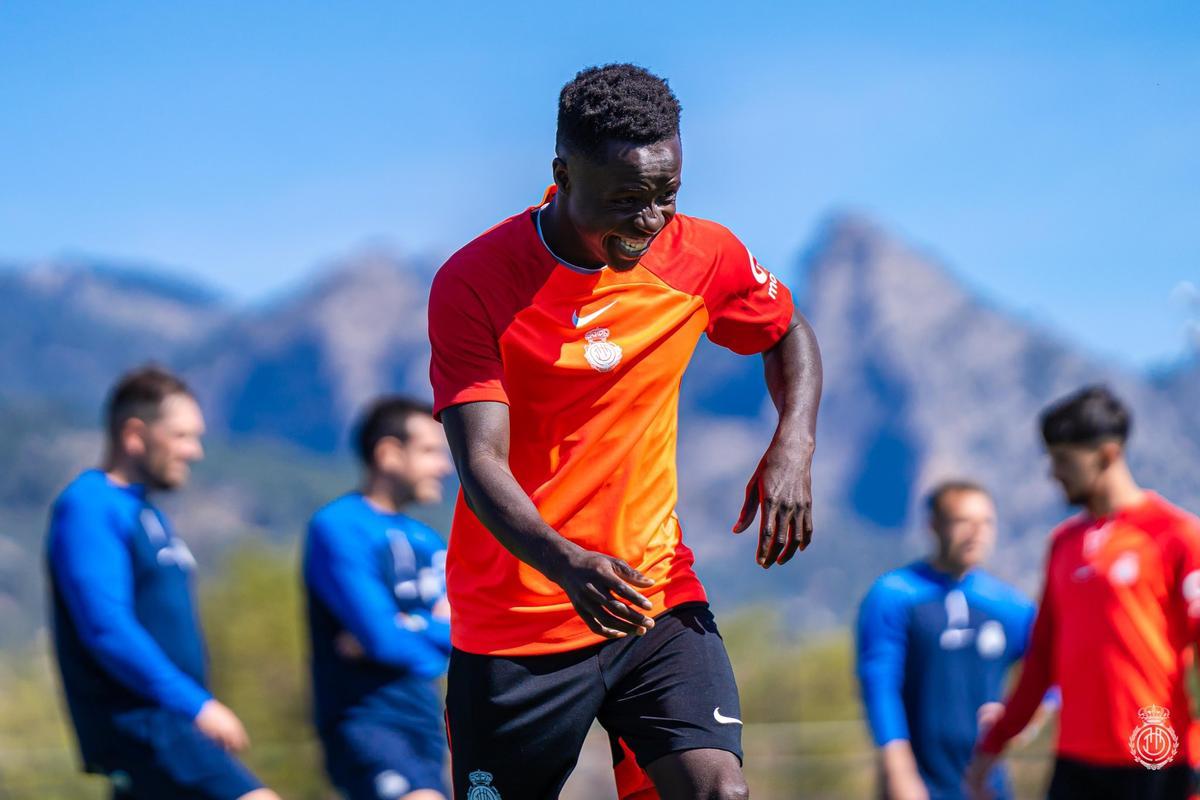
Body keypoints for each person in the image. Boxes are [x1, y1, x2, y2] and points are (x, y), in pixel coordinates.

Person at [427, 63, 822, 800]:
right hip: (518, 620)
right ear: (561, 174)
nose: (648, 221)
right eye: (624, 200)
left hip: (653, 592)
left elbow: (786, 330)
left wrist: (792, 446)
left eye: (665, 195)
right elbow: (479, 462)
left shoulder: (702, 254)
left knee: (718, 791)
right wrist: (567, 564)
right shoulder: (476, 282)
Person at [46, 365, 278, 800]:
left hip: (173, 725)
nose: (195, 451)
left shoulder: (146, 513)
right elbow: (106, 628)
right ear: (135, 435)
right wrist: (197, 705)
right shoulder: (90, 505)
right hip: (148, 724)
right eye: (182, 436)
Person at [965, 385, 1200, 799]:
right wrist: (994, 743)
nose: (1053, 473)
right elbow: (1041, 661)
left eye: (1063, 460)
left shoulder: (1175, 534)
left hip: (1154, 756)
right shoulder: (1063, 543)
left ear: (1107, 455)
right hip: (1075, 761)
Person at [303, 396, 455, 800]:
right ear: (388, 453)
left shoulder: (429, 540)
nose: (444, 466)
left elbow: (470, 630)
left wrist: (410, 628)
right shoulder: (339, 526)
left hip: (426, 721)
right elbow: (383, 639)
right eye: (429, 452)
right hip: (367, 720)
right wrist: (435, 627)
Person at [857, 481, 1044, 800]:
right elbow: (880, 688)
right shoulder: (895, 595)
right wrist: (900, 773)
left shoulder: (1008, 605)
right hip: (917, 781)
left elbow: (1050, 671)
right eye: (963, 521)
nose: (977, 532)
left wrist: (1025, 722)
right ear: (934, 526)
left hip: (986, 782)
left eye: (986, 522)